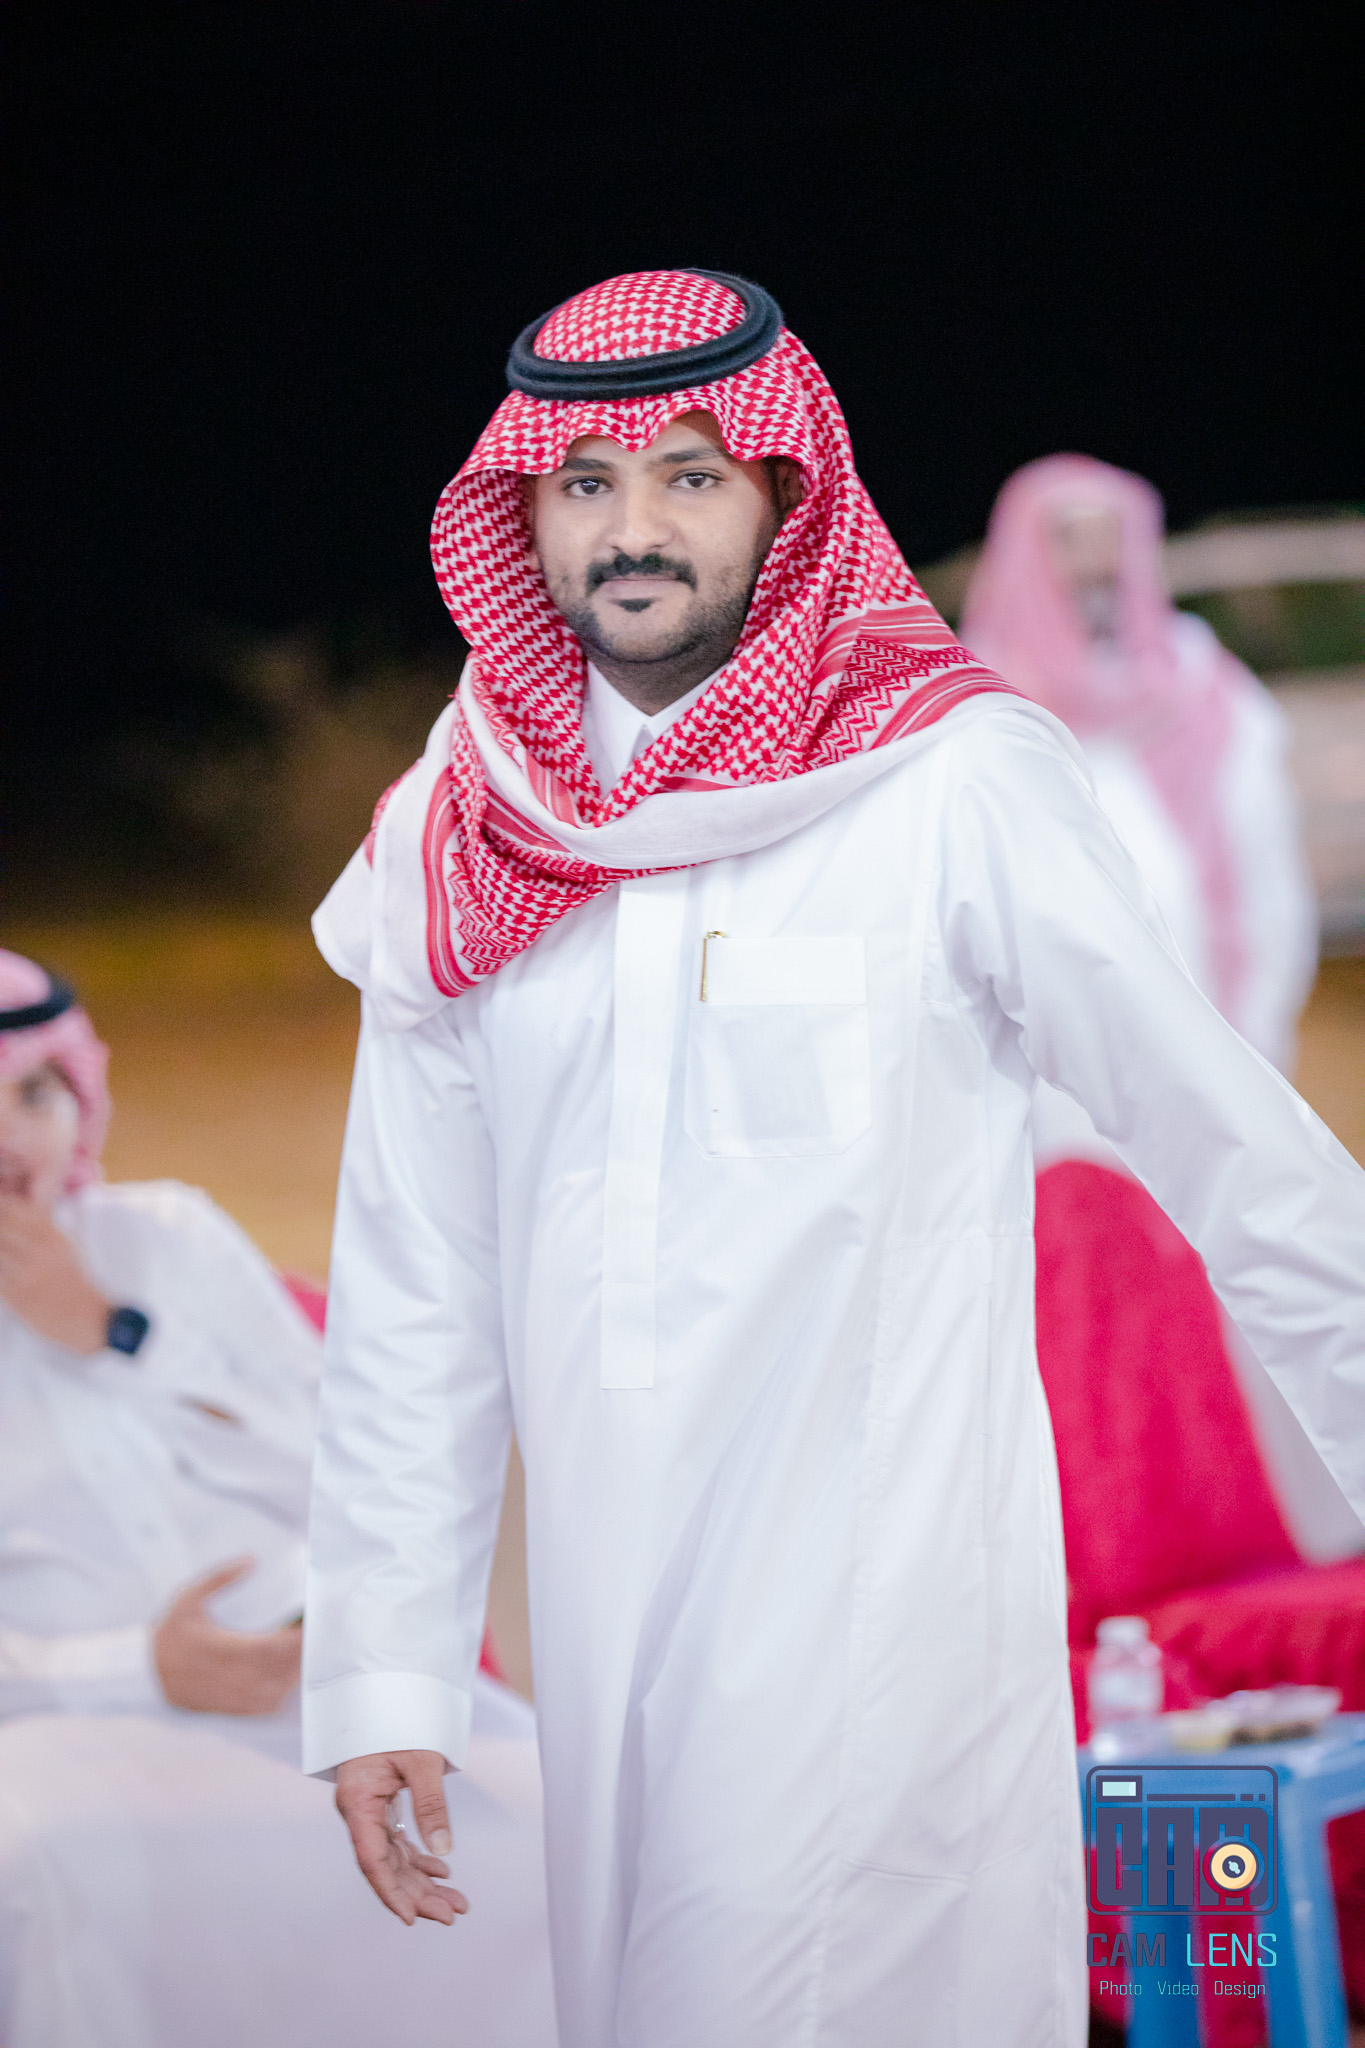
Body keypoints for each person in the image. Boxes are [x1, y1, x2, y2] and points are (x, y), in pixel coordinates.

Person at [304, 268, 1365, 2048]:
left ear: (787, 494)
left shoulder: (946, 784)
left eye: (691, 477)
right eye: (585, 485)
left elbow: (1237, 1152)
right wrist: (384, 1667)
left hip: (881, 1604)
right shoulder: (462, 828)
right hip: (608, 1623)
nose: (632, 531)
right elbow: (416, 1274)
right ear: (522, 511)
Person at [0, 949, 555, 2048]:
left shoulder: (166, 1237)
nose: (16, 1137)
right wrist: (143, 1667)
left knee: (569, 1828)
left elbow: (347, 1467)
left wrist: (112, 1330)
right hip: (65, 1725)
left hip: (309, 1694)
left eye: (34, 1094)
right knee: (46, 1862)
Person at [961, 456, 1362, 1561]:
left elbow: (1260, 872)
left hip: (1207, 1028)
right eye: (1066, 534)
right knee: (1077, 1297)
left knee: (1237, 1266)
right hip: (1049, 1075)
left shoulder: (1198, 686)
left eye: (1106, 532)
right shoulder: (979, 704)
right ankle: (1088, 1549)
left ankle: (1263, 1530)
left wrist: (1245, 1024)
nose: (1089, 559)